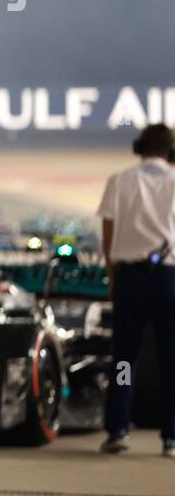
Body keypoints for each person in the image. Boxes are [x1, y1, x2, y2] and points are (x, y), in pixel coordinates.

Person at [96, 123, 175, 457]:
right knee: (172, 360)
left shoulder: (120, 181)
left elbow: (108, 235)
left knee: (125, 358)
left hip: (131, 279)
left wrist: (115, 279)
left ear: (139, 147)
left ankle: (118, 429)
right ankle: (171, 437)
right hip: (170, 279)